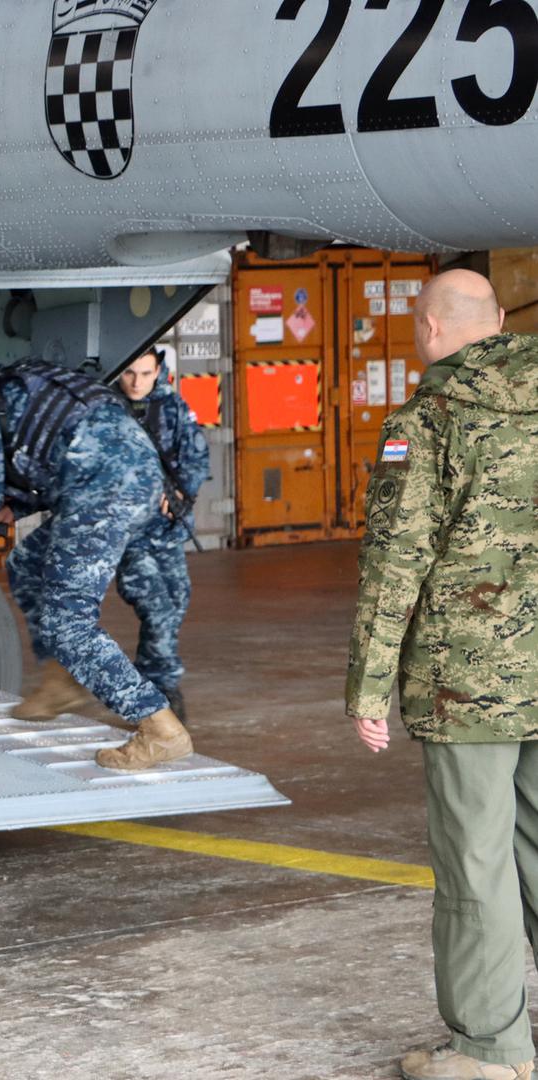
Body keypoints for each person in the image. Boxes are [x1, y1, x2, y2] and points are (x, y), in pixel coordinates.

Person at [347, 269, 538, 1080]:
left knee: (477, 864)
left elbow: (397, 561)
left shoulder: (424, 423)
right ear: (498, 321)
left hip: (470, 686)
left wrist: (367, 684)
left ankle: (492, 1050)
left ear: (426, 330)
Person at [0, 351, 193, 770]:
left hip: (100, 492)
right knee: (26, 563)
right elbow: (56, 446)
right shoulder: (16, 379)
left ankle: (159, 727)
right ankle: (63, 676)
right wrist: (13, 508)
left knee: (67, 622)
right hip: (136, 476)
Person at [112, 347, 212, 720]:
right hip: (127, 536)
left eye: (145, 373)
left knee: (176, 603)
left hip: (167, 533)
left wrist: (185, 493)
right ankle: (163, 693)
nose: (137, 382)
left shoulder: (172, 406)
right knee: (158, 609)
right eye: (129, 373)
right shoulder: (105, 409)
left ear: (159, 371)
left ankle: (146, 684)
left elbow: (197, 455)